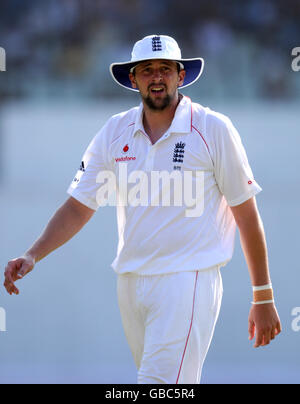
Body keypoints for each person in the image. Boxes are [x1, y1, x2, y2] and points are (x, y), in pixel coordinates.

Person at [4, 35, 281, 384]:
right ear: (133, 79)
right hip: (131, 284)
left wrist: (263, 295)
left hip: (188, 279)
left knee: (157, 387)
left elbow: (246, 215)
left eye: (165, 68)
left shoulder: (213, 128)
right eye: (147, 70)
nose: (157, 77)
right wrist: (32, 255)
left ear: (181, 76)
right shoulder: (114, 130)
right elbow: (78, 206)